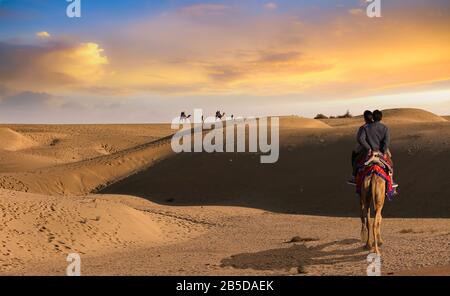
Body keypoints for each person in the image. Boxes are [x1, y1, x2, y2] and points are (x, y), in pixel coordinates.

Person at [358, 110, 398, 188]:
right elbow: (386, 142)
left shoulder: (366, 127)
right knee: (390, 165)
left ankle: (355, 177)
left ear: (373, 117)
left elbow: (361, 139)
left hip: (369, 152)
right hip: (381, 152)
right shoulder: (385, 128)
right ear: (381, 118)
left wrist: (369, 148)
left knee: (359, 162)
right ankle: (391, 181)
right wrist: (383, 151)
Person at [348, 110, 373, 185]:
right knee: (388, 159)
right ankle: (390, 178)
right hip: (378, 147)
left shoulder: (363, 127)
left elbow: (360, 139)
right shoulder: (377, 126)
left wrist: (368, 147)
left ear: (364, 118)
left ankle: (354, 175)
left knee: (354, 155)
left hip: (365, 147)